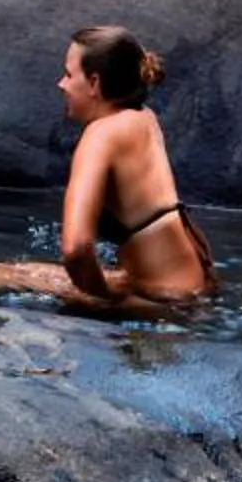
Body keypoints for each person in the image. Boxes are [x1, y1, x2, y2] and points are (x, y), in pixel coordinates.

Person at [51, 24, 217, 311]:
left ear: (94, 83)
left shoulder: (101, 135)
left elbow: (76, 248)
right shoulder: (143, 118)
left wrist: (102, 292)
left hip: (165, 303)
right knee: (15, 275)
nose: (61, 84)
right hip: (194, 285)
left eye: (68, 74)